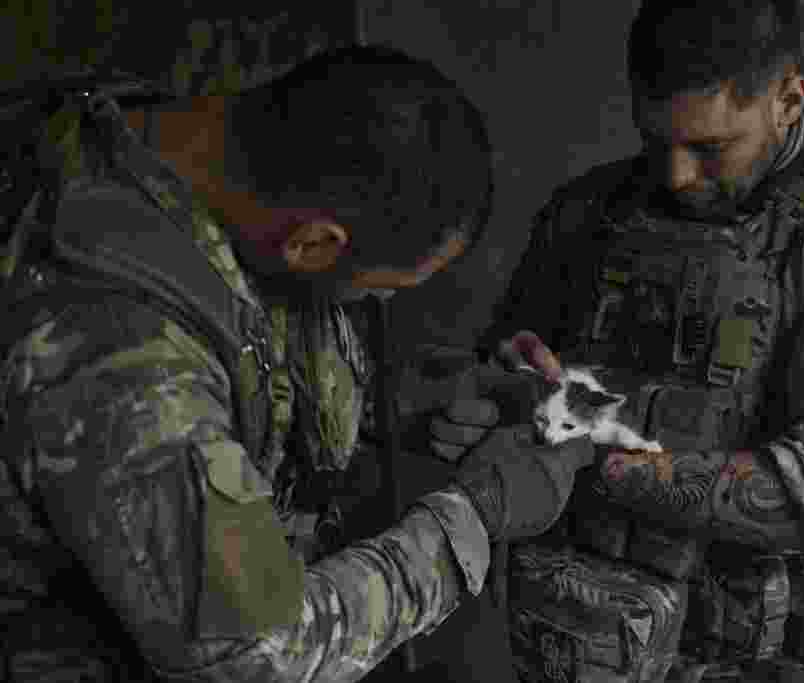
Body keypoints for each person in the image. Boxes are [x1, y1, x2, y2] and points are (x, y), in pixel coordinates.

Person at [0, 44, 595, 682]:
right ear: (311, 243)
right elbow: (257, 658)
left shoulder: (166, 137)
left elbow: (252, 326)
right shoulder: (122, 355)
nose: (377, 306)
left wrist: (411, 399)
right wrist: (475, 514)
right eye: (377, 293)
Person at [430, 1, 804, 681]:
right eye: (655, 141)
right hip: (574, 643)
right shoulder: (588, 213)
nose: (676, 175)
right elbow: (514, 370)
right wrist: (490, 397)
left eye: (710, 148)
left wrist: (594, 449)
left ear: (788, 100)